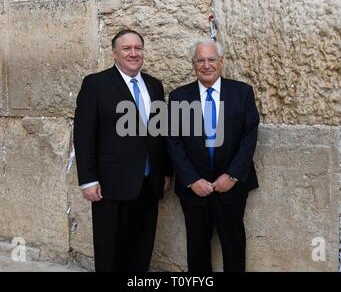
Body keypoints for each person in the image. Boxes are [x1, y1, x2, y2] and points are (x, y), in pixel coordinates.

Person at [74, 29, 172, 272]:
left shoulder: (154, 86)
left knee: (142, 248)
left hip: (149, 183)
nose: (133, 53)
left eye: (138, 48)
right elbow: (84, 135)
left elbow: (161, 134)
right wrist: (88, 180)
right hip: (110, 185)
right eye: (127, 48)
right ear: (114, 53)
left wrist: (166, 172)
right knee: (111, 250)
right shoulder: (95, 84)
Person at [167, 39, 260, 272]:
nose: (206, 65)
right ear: (193, 64)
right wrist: (191, 179)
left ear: (221, 62)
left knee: (233, 245)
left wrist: (232, 176)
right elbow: (173, 141)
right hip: (194, 188)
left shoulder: (242, 92)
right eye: (200, 60)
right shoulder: (179, 97)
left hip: (232, 185)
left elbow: (249, 137)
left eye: (211, 59)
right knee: (197, 248)